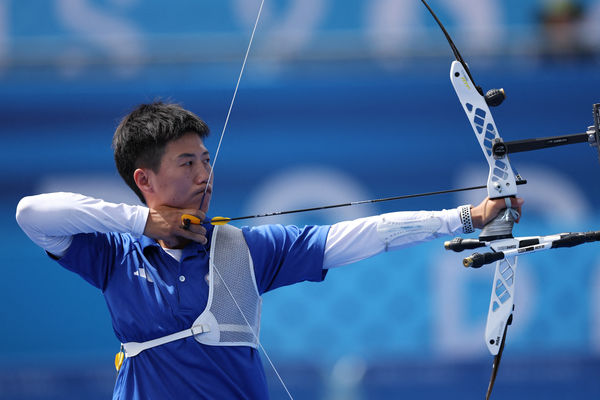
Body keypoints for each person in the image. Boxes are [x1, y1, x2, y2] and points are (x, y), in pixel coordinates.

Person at [15, 102, 523, 399]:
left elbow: (359, 235)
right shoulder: (115, 256)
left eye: (205, 161)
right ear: (143, 179)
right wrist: (143, 221)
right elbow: (32, 213)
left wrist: (466, 218)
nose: (204, 176)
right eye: (186, 163)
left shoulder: (243, 249)